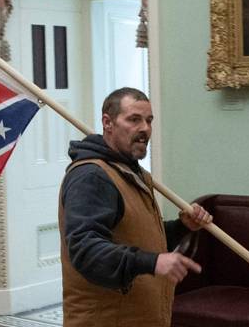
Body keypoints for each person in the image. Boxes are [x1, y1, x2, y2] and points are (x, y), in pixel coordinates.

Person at [59, 87, 213, 326]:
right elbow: (86, 251)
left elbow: (136, 237)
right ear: (107, 123)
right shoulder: (92, 177)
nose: (145, 129)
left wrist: (181, 227)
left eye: (149, 121)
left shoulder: (133, 172)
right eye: (134, 119)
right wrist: (152, 262)